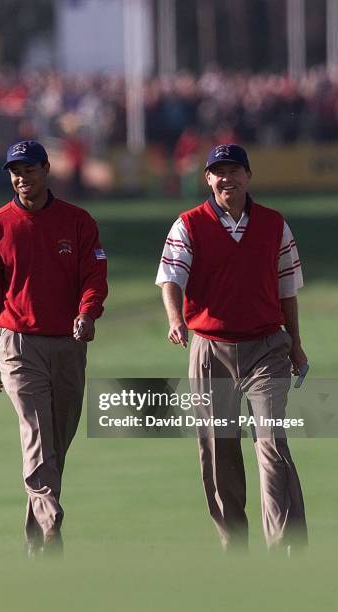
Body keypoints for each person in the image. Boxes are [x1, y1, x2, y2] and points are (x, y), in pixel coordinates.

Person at [156, 143, 308, 552]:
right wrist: (175, 319)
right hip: (210, 348)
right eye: (217, 172)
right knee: (218, 447)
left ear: (248, 176)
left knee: (272, 440)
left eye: (234, 170)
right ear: (207, 178)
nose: (226, 178)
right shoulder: (188, 224)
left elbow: (287, 289)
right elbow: (171, 278)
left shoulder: (275, 225)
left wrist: (296, 343)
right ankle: (234, 546)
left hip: (267, 348)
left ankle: (286, 548)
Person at [0, 140, 108, 556]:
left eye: (29, 169)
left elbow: (94, 277)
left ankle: (38, 545)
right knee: (36, 431)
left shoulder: (78, 221)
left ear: (47, 170)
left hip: (69, 342)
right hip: (18, 345)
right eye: (14, 171)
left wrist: (87, 313)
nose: (21, 177)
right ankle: (51, 519)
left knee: (57, 440)